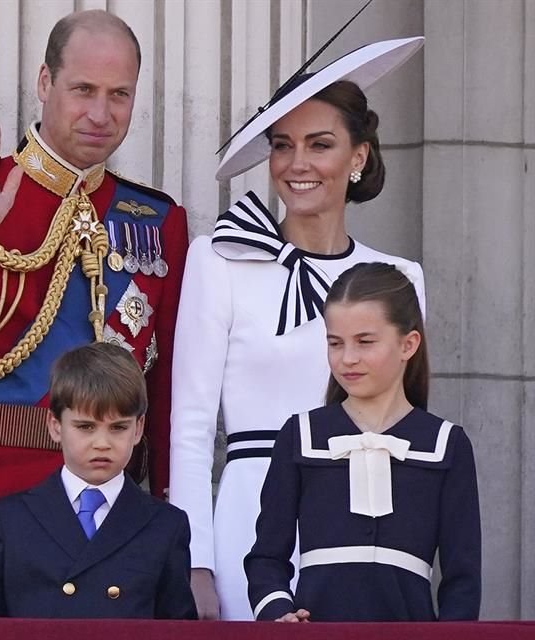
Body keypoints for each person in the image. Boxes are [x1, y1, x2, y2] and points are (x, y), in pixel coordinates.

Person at [0, 10, 188, 607]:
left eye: (119, 94)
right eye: (83, 90)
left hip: (113, 528)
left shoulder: (156, 220)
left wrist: (169, 509)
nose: (101, 113)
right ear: (45, 83)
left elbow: (166, 383)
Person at [168, 37, 427, 619]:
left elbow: (405, 432)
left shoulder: (398, 279)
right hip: (247, 519)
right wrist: (194, 562)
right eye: (282, 145)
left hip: (365, 520)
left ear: (358, 156)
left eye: (320, 144)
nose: (297, 163)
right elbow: (188, 426)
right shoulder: (218, 260)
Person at [245, 262, 481, 621]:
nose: (347, 359)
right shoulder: (300, 435)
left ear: (408, 344)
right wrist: (280, 613)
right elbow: (266, 558)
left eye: (365, 342)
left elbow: (462, 580)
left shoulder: (447, 444)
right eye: (335, 343)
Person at [0, 342, 197, 619]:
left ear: (138, 429)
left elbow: (178, 625)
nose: (102, 443)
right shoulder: (13, 518)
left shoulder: (166, 525)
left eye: (118, 428)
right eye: (85, 427)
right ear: (55, 426)